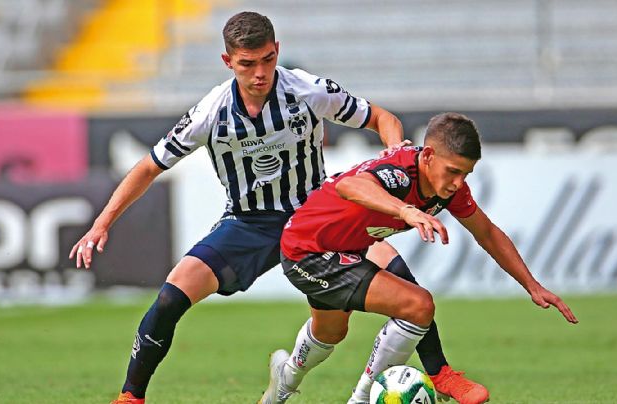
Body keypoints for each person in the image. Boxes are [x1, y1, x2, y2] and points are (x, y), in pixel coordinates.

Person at [69, 11, 411, 404]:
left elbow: (381, 118)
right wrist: (102, 223)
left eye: (267, 60)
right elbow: (149, 166)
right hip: (249, 223)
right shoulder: (212, 111)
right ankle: (130, 397)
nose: (260, 73)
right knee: (170, 297)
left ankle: (442, 373)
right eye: (247, 64)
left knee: (387, 290)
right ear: (228, 61)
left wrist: (394, 158)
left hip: (317, 215)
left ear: (277, 51)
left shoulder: (307, 90)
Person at [259, 112, 578, 404]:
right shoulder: (400, 174)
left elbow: (488, 233)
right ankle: (410, 384)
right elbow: (350, 185)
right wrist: (405, 210)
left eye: (465, 174)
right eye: (453, 171)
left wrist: (531, 284)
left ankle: (283, 380)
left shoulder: (450, 188)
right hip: (310, 251)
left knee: (330, 332)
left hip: (352, 245)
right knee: (417, 304)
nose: (457, 183)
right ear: (427, 156)